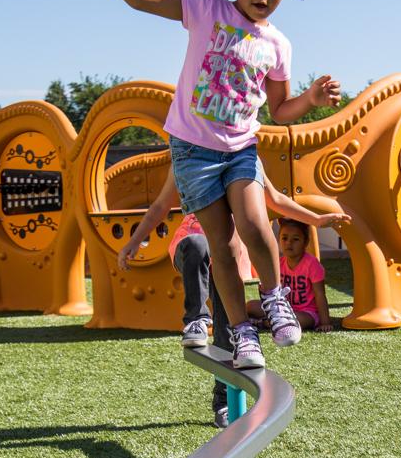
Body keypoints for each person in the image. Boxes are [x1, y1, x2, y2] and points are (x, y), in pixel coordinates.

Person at [61, 0, 341, 369]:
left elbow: (280, 110)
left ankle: (274, 300)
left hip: (241, 150)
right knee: (224, 246)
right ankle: (244, 333)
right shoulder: (205, 7)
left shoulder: (278, 45)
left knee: (254, 225)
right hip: (193, 153)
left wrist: (310, 98)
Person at [115, 173, 349, 426]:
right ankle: (196, 319)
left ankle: (223, 403)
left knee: (230, 330)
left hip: (226, 260)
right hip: (192, 246)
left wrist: (316, 219)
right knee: (198, 244)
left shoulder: (244, 158)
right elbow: (160, 205)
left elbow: (276, 199)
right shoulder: (188, 155)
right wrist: (134, 241)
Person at [275, 218, 334, 332]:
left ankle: (266, 322)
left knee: (292, 319)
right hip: (284, 309)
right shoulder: (279, 263)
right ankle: (269, 321)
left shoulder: (312, 264)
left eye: (295, 239)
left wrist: (325, 322)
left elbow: (320, 294)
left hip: (307, 313)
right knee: (251, 306)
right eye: (284, 238)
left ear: (306, 243)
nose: (288, 243)